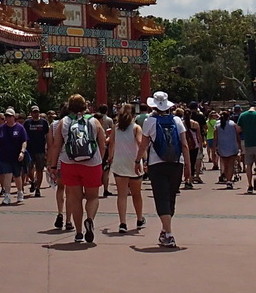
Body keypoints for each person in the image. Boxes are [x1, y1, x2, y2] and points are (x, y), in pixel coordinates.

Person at [49, 94, 108, 244]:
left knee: (75, 199)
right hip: (92, 164)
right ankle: (90, 219)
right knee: (92, 197)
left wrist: (53, 166)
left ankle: (79, 232)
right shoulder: (94, 121)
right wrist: (99, 160)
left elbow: (56, 146)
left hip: (69, 163)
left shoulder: (64, 122)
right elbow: (102, 144)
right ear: (85, 106)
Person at [138, 91, 186, 248]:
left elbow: (144, 145)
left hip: (156, 163)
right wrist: (188, 167)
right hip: (176, 163)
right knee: (171, 197)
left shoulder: (150, 121)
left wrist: (138, 160)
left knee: (161, 197)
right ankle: (165, 230)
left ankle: (169, 234)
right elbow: (184, 144)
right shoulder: (177, 120)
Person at [108, 102, 145, 233]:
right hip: (133, 162)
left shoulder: (116, 127)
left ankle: (122, 223)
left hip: (119, 163)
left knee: (122, 195)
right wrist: (144, 158)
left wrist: (110, 157)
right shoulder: (136, 128)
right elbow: (140, 143)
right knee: (136, 194)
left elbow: (111, 143)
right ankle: (139, 219)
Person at [0, 108, 27, 205]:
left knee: (17, 176)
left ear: (14, 117)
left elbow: (24, 141)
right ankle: (7, 195)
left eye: (10, 116)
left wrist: (22, 152)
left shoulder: (20, 128)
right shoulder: (1, 129)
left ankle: (20, 192)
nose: (8, 118)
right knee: (7, 175)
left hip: (16, 157)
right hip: (4, 156)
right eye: (6, 116)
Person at [237, 102, 256, 194]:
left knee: (249, 165)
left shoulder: (243, 115)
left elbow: (238, 129)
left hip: (248, 143)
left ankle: (250, 185)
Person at [22, 105, 50, 197]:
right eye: (34, 112)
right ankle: (33, 181)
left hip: (40, 149)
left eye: (37, 112)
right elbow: (23, 136)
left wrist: (48, 148)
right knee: (28, 169)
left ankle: (38, 189)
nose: (36, 114)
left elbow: (47, 136)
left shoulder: (44, 122)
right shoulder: (27, 123)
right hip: (29, 149)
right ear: (31, 113)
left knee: (39, 169)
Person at [214, 110, 240, 186]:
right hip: (232, 147)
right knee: (231, 164)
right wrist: (239, 146)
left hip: (222, 147)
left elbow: (215, 138)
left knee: (225, 165)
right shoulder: (233, 124)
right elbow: (237, 135)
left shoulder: (217, 126)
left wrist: (214, 148)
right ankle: (229, 180)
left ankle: (227, 178)